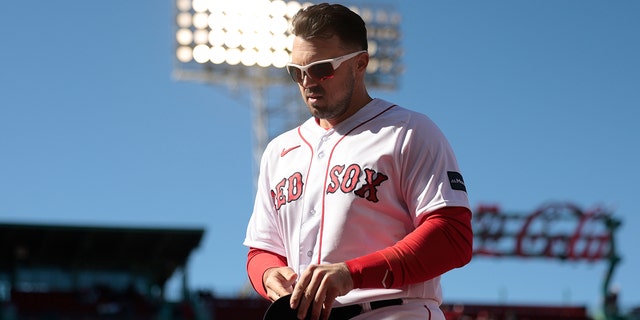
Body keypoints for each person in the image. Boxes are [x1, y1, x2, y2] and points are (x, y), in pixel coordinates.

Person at [243, 3, 473, 320]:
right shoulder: (279, 151)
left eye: (321, 69)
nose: (308, 81)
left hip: (394, 312)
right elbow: (261, 250)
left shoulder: (408, 131)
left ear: (360, 63)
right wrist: (269, 275)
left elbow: (452, 236)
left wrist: (353, 273)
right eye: (297, 72)